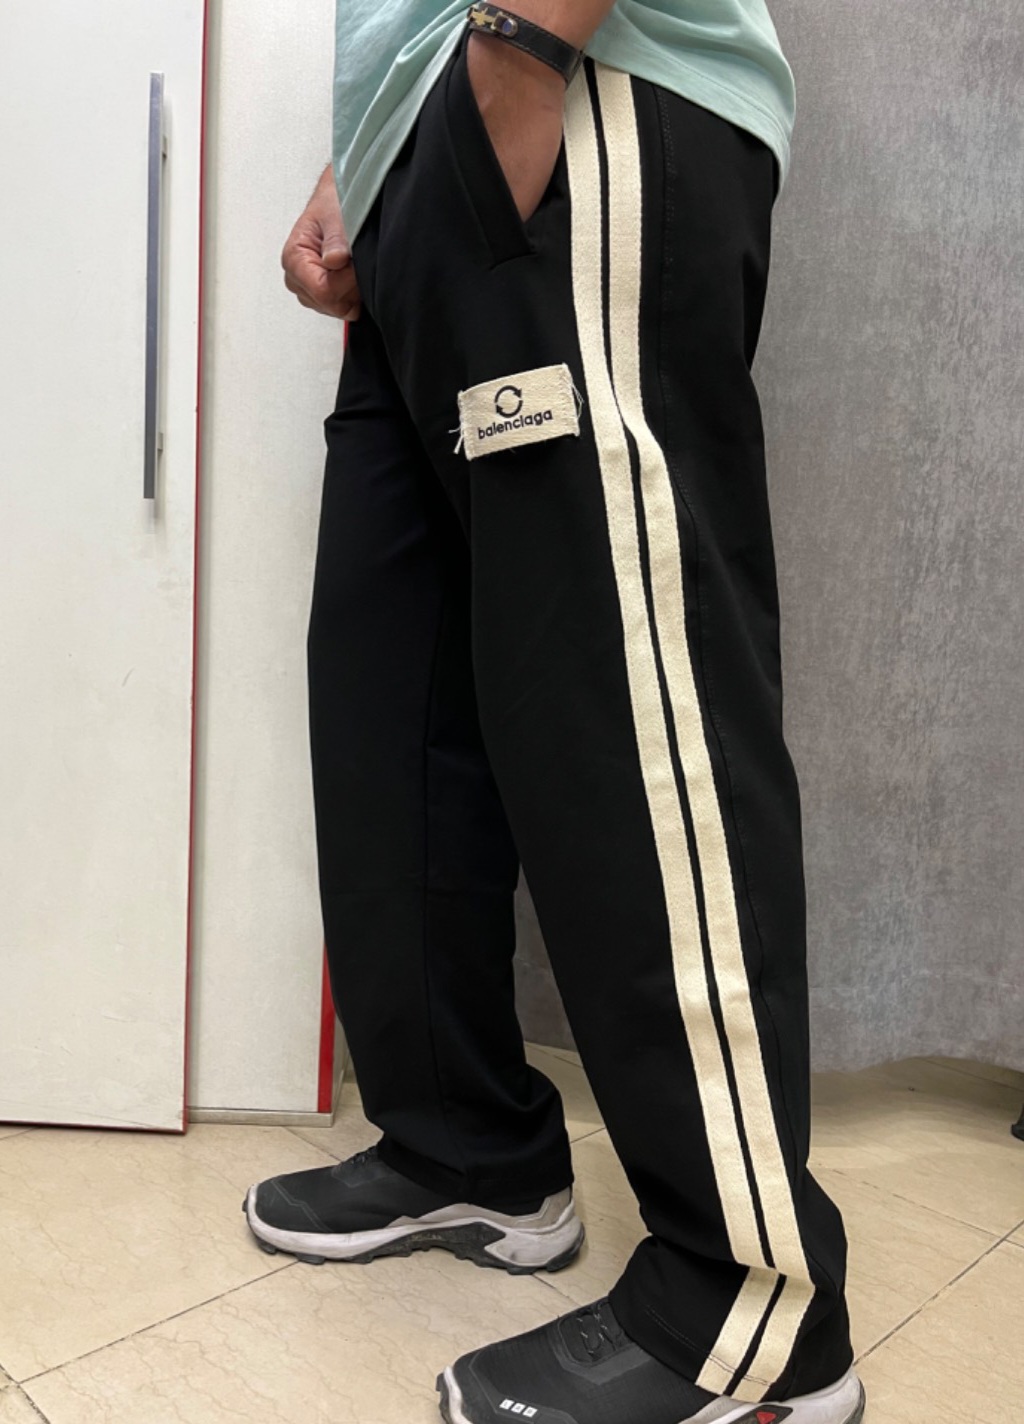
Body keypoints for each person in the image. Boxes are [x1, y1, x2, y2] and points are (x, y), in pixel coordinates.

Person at [244, 4, 862, 1422]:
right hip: (440, 148)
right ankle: (467, 1142)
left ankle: (749, 1309)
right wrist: (368, 156)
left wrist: (522, 51)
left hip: (585, 92)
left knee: (624, 698)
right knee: (395, 695)